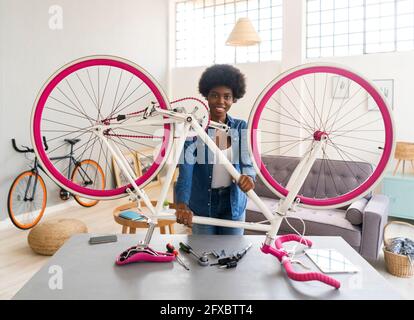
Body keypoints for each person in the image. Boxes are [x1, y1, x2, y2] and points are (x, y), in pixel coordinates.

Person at [174, 64, 256, 235]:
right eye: (214, 95)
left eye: (227, 96)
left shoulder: (240, 127)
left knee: (233, 254)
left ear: (234, 99)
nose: (220, 101)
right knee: (203, 256)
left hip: (233, 203)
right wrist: (181, 203)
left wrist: (249, 177)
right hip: (203, 203)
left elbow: (247, 161)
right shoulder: (194, 128)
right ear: (206, 97)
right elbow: (186, 169)